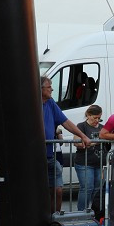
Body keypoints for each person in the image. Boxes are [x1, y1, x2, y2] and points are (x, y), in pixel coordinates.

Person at [42, 76, 93, 213]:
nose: (52, 89)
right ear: (40, 89)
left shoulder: (50, 102)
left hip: (50, 155)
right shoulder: (32, 103)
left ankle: (56, 220)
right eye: (49, 86)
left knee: (58, 190)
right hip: (36, 156)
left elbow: (65, 121)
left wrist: (83, 136)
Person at [73, 105, 104, 211]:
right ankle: (82, 212)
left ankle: (95, 212)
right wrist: (91, 143)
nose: (97, 120)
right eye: (95, 117)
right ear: (88, 115)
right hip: (84, 163)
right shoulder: (81, 126)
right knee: (87, 188)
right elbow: (76, 142)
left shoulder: (102, 127)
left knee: (97, 189)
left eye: (99, 118)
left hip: (99, 163)